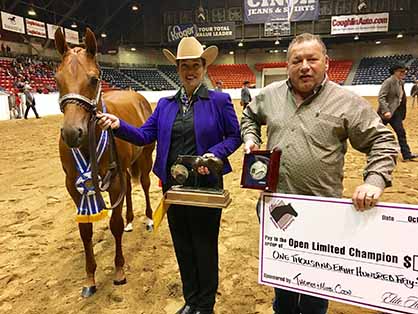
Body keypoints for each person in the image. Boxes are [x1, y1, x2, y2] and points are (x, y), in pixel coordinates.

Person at [241, 33, 398, 314]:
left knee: (315, 292)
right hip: (276, 207)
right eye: (296, 60)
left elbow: (382, 141)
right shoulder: (271, 95)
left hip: (321, 214)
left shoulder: (347, 101)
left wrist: (374, 181)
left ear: (326, 62)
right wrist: (251, 138)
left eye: (312, 59)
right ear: (287, 65)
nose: (304, 66)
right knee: (284, 287)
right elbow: (249, 115)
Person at [97, 37, 241, 314]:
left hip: (206, 187)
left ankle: (205, 305)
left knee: (204, 247)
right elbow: (144, 135)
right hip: (173, 188)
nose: (190, 71)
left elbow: (233, 136)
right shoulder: (164, 105)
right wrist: (118, 125)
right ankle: (191, 301)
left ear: (204, 67)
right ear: (177, 69)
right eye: (184, 66)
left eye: (195, 66)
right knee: (184, 247)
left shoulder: (219, 101)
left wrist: (215, 154)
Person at [378, 62, 417, 161]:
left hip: (396, 113)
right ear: (395, 71)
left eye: (405, 71)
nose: (404, 73)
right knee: (376, 133)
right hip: (386, 113)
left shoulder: (401, 82)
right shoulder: (388, 82)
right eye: (402, 71)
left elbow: (401, 98)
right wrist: (386, 111)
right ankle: (372, 151)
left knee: (401, 132)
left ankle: (406, 155)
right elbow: (381, 97)